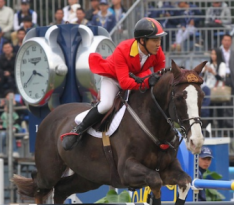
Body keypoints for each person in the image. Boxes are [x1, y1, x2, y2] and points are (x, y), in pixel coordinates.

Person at [61, 17, 166, 150]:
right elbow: (124, 83)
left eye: (159, 39)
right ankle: (77, 130)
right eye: (155, 40)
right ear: (142, 40)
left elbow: (160, 77)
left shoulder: (158, 52)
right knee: (106, 105)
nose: (159, 44)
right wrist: (146, 83)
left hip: (137, 77)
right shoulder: (123, 49)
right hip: (114, 78)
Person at [201, 48, 226, 114]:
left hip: (217, 89)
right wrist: (204, 71)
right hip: (209, 89)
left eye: (215, 54)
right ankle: (210, 124)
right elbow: (203, 77)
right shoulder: (208, 64)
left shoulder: (222, 65)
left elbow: (221, 78)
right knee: (210, 110)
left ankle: (220, 124)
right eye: (212, 54)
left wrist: (213, 72)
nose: (213, 56)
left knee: (219, 110)